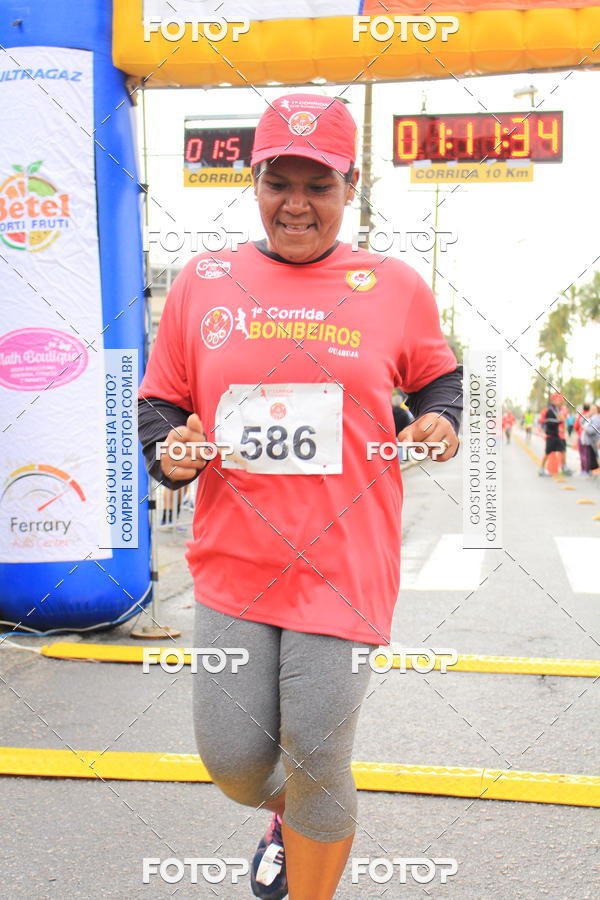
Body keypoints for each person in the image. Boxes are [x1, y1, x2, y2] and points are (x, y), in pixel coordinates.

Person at [137, 94, 463, 900]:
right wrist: (169, 454)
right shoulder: (203, 282)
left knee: (317, 750)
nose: (296, 203)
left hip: (344, 562)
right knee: (236, 762)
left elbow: (441, 377)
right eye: (278, 180)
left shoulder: (391, 285)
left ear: (350, 187)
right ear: (254, 181)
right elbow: (160, 401)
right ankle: (294, 817)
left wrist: (439, 419)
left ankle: (311, 874)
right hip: (235, 559)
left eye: (317, 185)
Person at [538, 392, 572, 477]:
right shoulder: (549, 410)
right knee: (547, 452)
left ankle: (564, 467)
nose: (560, 401)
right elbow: (547, 421)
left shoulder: (560, 409)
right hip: (551, 435)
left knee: (563, 450)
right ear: (552, 401)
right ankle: (541, 469)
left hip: (559, 435)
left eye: (560, 400)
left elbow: (563, 419)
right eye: (557, 399)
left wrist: (560, 421)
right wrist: (558, 421)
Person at [582, 402, 600, 475]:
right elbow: (581, 422)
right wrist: (586, 416)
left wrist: (585, 428)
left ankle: (594, 472)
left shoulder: (597, 419)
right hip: (589, 441)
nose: (590, 411)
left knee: (594, 458)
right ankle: (593, 472)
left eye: (592, 409)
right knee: (591, 458)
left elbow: (592, 430)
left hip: (594, 441)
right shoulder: (591, 418)